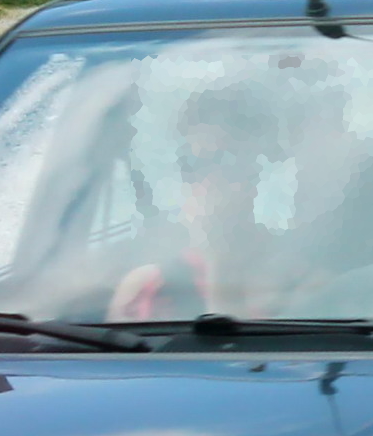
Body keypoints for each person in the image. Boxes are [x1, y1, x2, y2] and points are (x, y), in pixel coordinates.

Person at [107, 88, 277, 322]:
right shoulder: (145, 290)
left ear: (255, 176)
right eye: (191, 164)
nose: (206, 181)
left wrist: (218, 258)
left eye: (225, 162)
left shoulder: (294, 283)